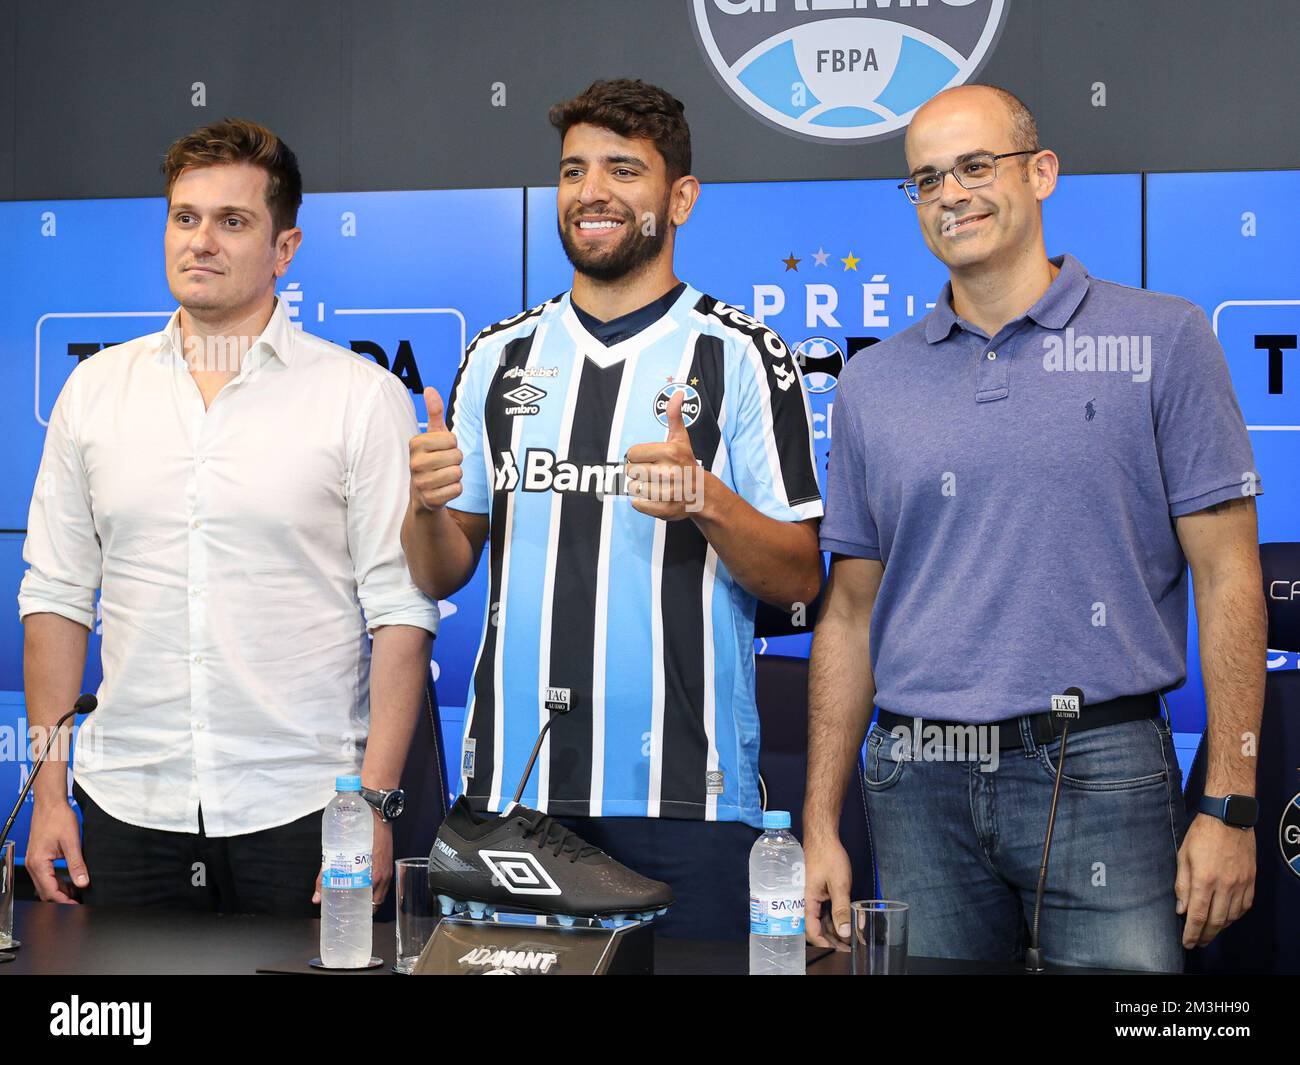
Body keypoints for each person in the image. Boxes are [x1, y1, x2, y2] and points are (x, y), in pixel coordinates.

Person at [803, 85, 1265, 971]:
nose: (951, 193)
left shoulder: (1163, 339)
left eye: (977, 166)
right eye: (927, 179)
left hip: (1104, 772)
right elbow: (850, 614)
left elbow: (1230, 579)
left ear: (1042, 172)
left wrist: (1231, 804)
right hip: (915, 781)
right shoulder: (871, 383)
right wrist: (820, 823)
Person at [403, 79, 823, 940]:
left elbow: (801, 576)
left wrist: (704, 498)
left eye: (623, 169)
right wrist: (422, 507)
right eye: (573, 170)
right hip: (510, 797)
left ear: (680, 197)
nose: (592, 191)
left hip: (686, 801)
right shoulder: (497, 355)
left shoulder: (741, 354)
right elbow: (443, 568)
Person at [20, 118, 437, 916]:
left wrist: (373, 809)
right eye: (185, 218)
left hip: (303, 810)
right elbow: (57, 599)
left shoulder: (359, 397)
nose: (201, 240)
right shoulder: (95, 392)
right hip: (125, 805)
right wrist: (47, 794)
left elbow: (401, 612)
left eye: (232, 221)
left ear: (285, 249)